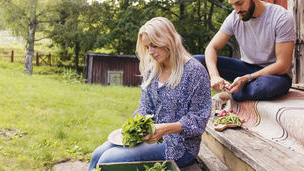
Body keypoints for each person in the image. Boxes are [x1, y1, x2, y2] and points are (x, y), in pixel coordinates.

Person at [87, 17, 212, 170]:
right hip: (150, 138)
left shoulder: (195, 71)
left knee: (108, 159)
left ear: (169, 41)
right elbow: (145, 107)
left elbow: (199, 119)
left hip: (179, 146)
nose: (151, 52)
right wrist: (135, 127)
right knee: (98, 154)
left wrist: (163, 129)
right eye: (147, 47)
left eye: (154, 45)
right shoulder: (152, 70)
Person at [194, 0, 295, 104]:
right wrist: (214, 75)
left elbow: (283, 65)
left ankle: (227, 95)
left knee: (267, 86)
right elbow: (211, 48)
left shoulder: (281, 17)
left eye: (239, 3)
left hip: (274, 74)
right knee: (196, 61)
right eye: (233, 5)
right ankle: (197, 102)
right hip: (246, 68)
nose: (237, 10)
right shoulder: (234, 17)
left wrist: (248, 78)